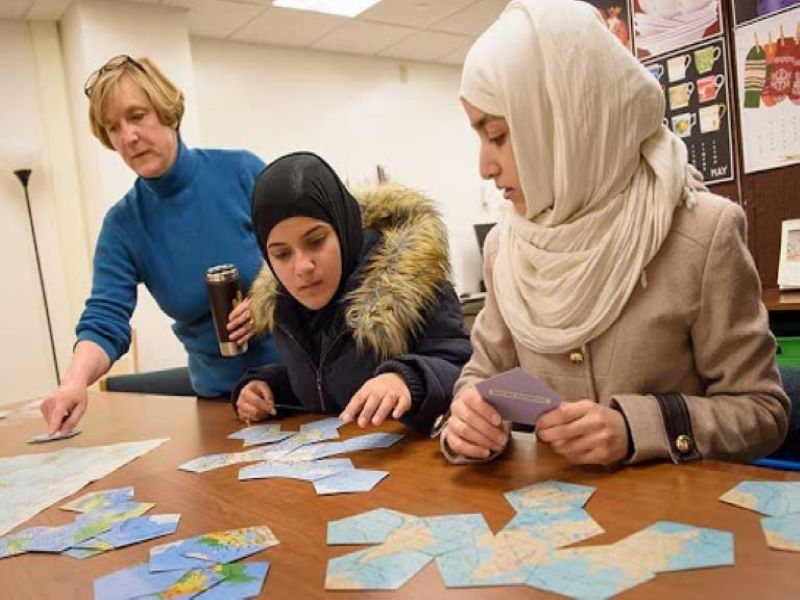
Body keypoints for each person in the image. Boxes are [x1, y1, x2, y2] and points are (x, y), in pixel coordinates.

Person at [441, 0, 789, 466]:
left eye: (500, 135)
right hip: (554, 516)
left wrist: (635, 429)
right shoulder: (507, 246)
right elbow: (484, 373)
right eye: (478, 137)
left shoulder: (704, 233)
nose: (484, 166)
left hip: (679, 521)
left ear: (567, 122)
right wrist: (468, 415)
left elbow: (763, 412)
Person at [40, 55, 279, 435]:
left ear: (169, 112)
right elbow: (105, 320)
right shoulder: (123, 225)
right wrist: (73, 382)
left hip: (297, 382)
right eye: (112, 127)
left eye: (137, 116)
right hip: (221, 403)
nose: (128, 137)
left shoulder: (242, 172)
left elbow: (309, 263)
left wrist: (267, 300)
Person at [232, 152, 471, 434]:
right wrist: (266, 387)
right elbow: (327, 383)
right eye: (282, 254)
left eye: (316, 241)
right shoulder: (282, 304)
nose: (302, 267)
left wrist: (406, 379)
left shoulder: (413, 278)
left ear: (343, 227)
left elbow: (464, 368)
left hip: (420, 464)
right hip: (343, 464)